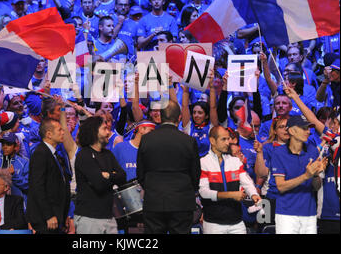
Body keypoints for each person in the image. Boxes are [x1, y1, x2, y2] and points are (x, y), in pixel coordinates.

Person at [136, 100, 201, 234]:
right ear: (179, 118)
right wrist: (190, 190)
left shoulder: (147, 139)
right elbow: (195, 174)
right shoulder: (189, 141)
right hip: (181, 202)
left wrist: (151, 187)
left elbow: (140, 172)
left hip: (154, 200)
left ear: (161, 116)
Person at [271, 113, 327, 234]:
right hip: (286, 214)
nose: (308, 132)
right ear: (291, 130)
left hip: (309, 213)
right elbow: (280, 187)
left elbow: (316, 187)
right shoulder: (278, 153)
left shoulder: (312, 151)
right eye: (304, 128)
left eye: (308, 128)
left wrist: (316, 175)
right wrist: (306, 176)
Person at [199, 126, 261, 234]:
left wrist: (254, 194)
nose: (228, 142)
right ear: (212, 141)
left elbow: (247, 183)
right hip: (213, 224)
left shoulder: (235, 161)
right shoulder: (203, 162)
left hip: (237, 222)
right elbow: (204, 193)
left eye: (228, 139)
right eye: (223, 139)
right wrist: (231, 194)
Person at [74, 116, 126, 234]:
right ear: (94, 132)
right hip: (89, 219)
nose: (108, 132)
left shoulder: (108, 154)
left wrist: (107, 175)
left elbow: (123, 177)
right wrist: (112, 176)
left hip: (109, 217)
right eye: (104, 129)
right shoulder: (84, 155)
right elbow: (99, 184)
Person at [26, 118, 71, 234]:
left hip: (57, 216)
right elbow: (37, 187)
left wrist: (64, 214)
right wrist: (48, 215)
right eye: (59, 130)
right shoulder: (40, 153)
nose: (63, 132)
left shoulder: (55, 154)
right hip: (46, 219)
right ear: (49, 134)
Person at [254, 115, 290, 225]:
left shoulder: (299, 147)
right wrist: (259, 153)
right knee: (269, 229)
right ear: (274, 131)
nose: (285, 129)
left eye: (288, 126)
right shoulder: (268, 148)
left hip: (292, 198)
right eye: (281, 127)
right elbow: (262, 173)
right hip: (271, 197)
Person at [0, 132, 29, 204]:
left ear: (15, 146)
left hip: (18, 206)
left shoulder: (24, 163)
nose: (5, 147)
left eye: (8, 144)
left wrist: (14, 175)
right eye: (3, 144)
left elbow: (28, 185)